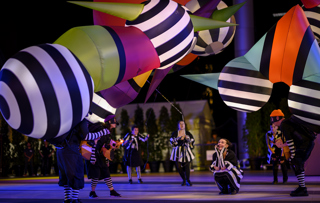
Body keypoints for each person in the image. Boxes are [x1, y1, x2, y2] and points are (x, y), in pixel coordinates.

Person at [48, 119, 110, 203]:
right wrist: (103, 132)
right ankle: (74, 199)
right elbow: (87, 136)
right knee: (77, 173)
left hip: (60, 150)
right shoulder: (80, 119)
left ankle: (67, 199)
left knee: (66, 175)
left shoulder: (67, 117)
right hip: (71, 150)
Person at [270, 109, 318, 196]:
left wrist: (292, 154)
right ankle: (302, 187)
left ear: (277, 118)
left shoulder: (284, 124)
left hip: (305, 144)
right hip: (307, 143)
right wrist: (286, 147)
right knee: (297, 163)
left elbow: (290, 140)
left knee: (296, 162)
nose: (272, 122)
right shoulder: (287, 123)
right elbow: (291, 140)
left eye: (272, 119)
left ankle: (302, 189)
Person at [85, 117, 121, 198]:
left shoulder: (108, 132)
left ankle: (112, 191)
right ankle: (92, 192)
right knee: (96, 175)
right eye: (114, 123)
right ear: (109, 122)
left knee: (106, 174)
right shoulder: (102, 130)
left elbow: (104, 146)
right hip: (95, 155)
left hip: (101, 156)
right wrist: (93, 157)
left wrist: (108, 157)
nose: (115, 124)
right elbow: (94, 143)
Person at [170, 120, 195, 186]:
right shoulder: (175, 133)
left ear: (184, 125)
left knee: (187, 166)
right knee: (178, 166)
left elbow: (192, 141)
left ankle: (188, 180)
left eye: (183, 124)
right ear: (178, 125)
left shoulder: (188, 133)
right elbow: (172, 141)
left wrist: (187, 139)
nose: (182, 125)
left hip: (186, 151)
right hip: (177, 151)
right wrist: (179, 138)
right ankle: (184, 179)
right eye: (180, 124)